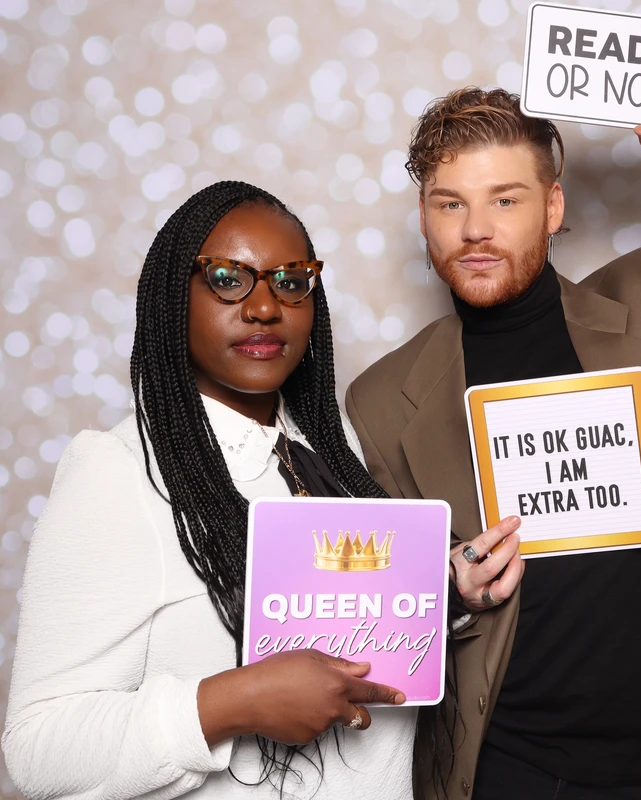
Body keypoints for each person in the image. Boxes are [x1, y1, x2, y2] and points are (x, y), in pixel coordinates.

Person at [345, 4, 641, 800]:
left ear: (552, 209)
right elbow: (379, 621)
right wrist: (447, 588)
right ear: (425, 219)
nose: (475, 229)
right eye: (450, 203)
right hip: (502, 771)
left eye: (506, 200)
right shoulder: (384, 400)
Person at [2, 181, 415, 799]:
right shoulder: (117, 473)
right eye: (227, 278)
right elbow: (38, 750)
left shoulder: (333, 453)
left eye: (290, 280)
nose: (264, 308)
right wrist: (231, 702)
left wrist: (445, 583)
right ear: (175, 298)